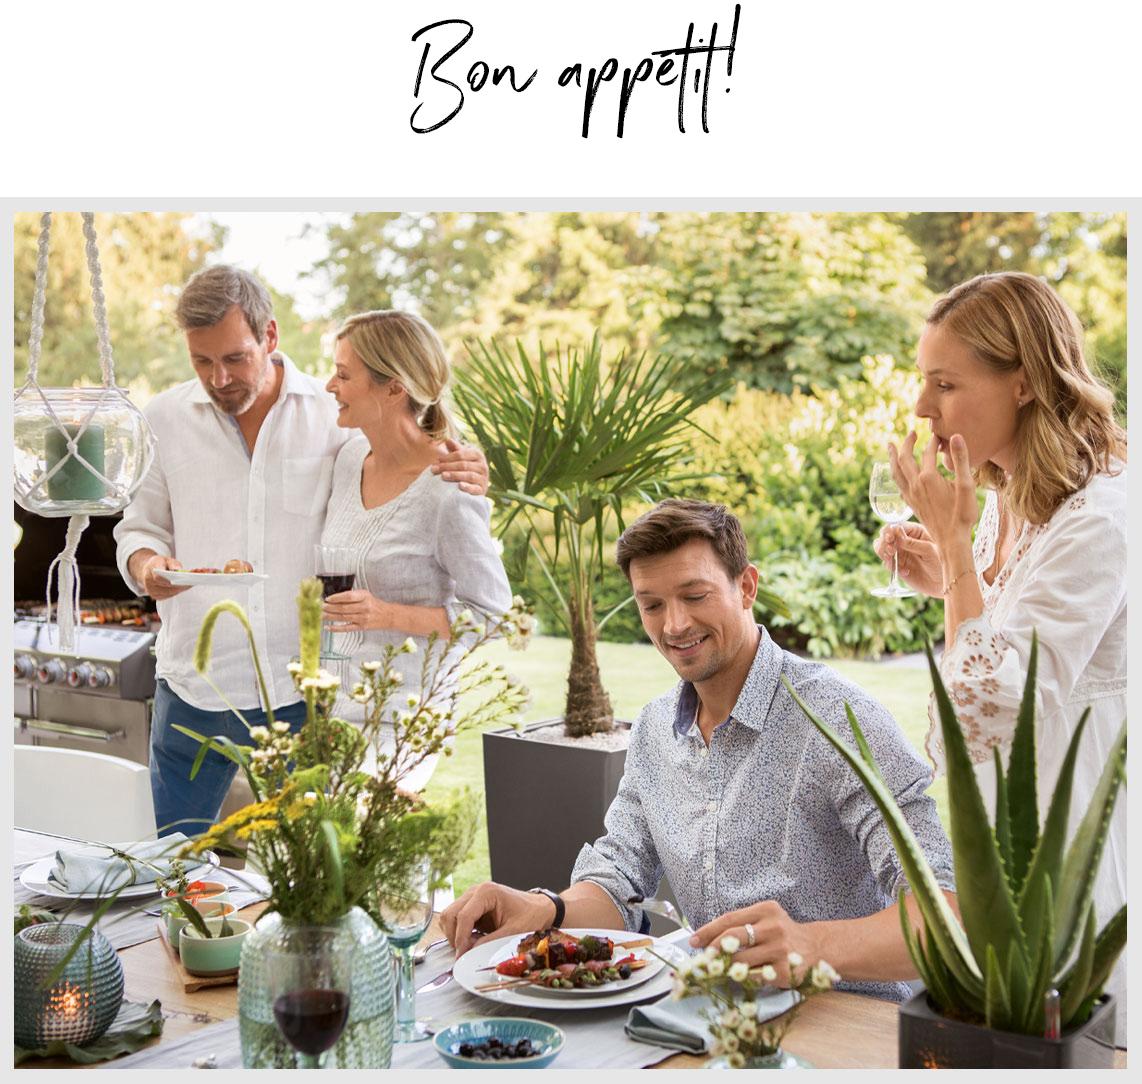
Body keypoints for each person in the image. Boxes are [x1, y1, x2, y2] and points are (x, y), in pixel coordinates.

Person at [442, 499, 955, 1000]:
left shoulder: (838, 720)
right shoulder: (653, 729)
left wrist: (810, 944)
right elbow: (618, 881)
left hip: (846, 1026)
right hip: (707, 1023)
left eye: (695, 595)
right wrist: (545, 908)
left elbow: (948, 915)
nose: (674, 626)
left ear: (746, 586)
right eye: (652, 605)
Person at [114, 266, 488, 836]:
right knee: (165, 861)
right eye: (202, 361)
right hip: (192, 683)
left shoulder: (336, 416)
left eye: (234, 358)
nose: (219, 378)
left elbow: (409, 462)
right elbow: (138, 527)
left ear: (269, 336)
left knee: (305, 882)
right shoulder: (162, 419)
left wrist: (471, 470)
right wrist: (147, 564)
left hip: (303, 697)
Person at [874, 271, 1126, 1041]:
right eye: (925, 382)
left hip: (1070, 853)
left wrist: (953, 547)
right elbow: (1003, 636)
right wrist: (954, 576)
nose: (923, 409)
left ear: (1022, 381)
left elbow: (985, 714)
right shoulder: (1015, 498)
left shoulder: (1104, 518)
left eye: (946, 384)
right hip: (1014, 852)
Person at [318, 310, 513, 790]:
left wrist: (387, 613)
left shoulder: (447, 489)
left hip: (405, 719)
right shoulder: (347, 460)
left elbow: (491, 614)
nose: (329, 385)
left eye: (344, 375)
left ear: (393, 389)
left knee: (373, 859)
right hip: (335, 711)